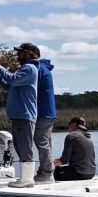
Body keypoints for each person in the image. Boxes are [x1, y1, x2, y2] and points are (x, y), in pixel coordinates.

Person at [0, 43, 39, 188]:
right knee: (19, 147)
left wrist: (0, 67)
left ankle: (27, 180)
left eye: (21, 52)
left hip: (25, 114)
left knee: (25, 148)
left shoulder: (30, 68)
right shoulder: (24, 69)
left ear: (29, 53)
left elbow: (11, 79)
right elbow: (7, 85)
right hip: (18, 115)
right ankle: (25, 178)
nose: (18, 54)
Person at [33, 54, 57, 184]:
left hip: (43, 112)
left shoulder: (39, 69)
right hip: (48, 112)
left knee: (41, 140)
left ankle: (46, 172)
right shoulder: (44, 68)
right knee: (46, 141)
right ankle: (47, 171)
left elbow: (30, 87)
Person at [53, 116, 96, 181]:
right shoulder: (88, 139)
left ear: (74, 124)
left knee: (52, 172)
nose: (68, 126)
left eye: (69, 123)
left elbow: (64, 160)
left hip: (78, 173)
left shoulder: (71, 136)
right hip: (91, 173)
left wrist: (51, 164)